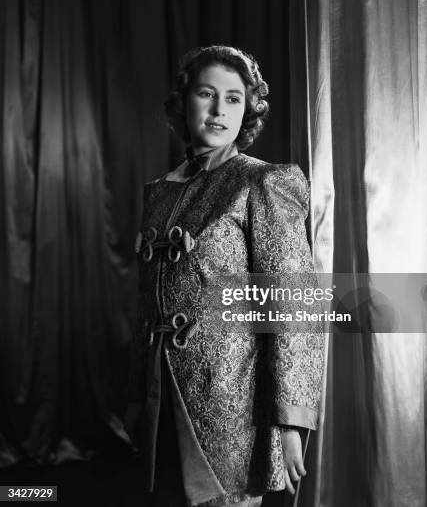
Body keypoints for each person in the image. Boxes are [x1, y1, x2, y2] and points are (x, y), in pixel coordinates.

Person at [125, 46, 324, 506]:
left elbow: (294, 307)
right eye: (206, 94)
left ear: (248, 109)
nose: (218, 110)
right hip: (163, 406)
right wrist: (137, 393)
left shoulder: (264, 181)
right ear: (183, 102)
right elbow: (146, 306)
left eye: (234, 98)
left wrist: (291, 420)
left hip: (234, 406)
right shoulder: (158, 192)